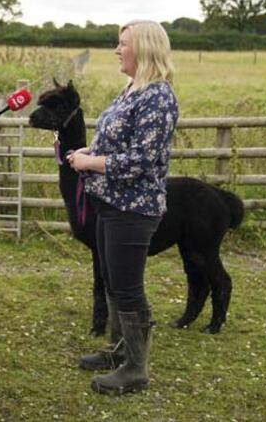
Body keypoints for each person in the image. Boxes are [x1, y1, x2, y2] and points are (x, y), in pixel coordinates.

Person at [65, 20, 178, 395]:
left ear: (143, 49)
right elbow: (115, 143)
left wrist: (90, 164)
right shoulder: (132, 89)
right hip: (109, 203)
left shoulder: (158, 97)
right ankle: (118, 350)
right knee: (113, 282)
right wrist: (88, 151)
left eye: (123, 44)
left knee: (128, 288)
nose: (117, 50)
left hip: (134, 208)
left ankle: (136, 368)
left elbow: (141, 160)